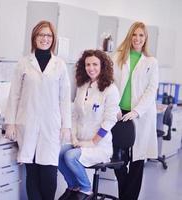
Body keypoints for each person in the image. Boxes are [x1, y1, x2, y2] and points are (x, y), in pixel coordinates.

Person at [4, 20, 71, 200]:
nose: (45, 39)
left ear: (53, 39)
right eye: (41, 35)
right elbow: (14, 95)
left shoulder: (60, 65)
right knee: (32, 174)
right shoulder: (24, 63)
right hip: (27, 124)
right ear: (34, 38)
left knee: (49, 174)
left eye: (49, 35)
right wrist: (10, 123)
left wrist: (67, 126)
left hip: (51, 126)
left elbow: (64, 98)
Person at [58, 50, 120, 200]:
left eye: (95, 64)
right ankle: (73, 186)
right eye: (87, 64)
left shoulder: (110, 89)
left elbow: (109, 121)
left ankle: (86, 190)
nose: (91, 68)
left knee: (70, 156)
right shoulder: (82, 86)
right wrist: (73, 137)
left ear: (103, 66)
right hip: (80, 141)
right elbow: (74, 114)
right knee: (58, 152)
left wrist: (92, 142)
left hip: (99, 146)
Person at [113, 21, 159, 200]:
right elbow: (110, 82)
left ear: (145, 38)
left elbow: (151, 90)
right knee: (119, 159)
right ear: (129, 36)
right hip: (119, 113)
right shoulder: (117, 57)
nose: (137, 38)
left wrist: (137, 111)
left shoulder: (151, 62)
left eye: (141, 35)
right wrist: (115, 106)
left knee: (137, 159)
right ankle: (125, 195)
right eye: (135, 34)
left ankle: (128, 198)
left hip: (140, 115)